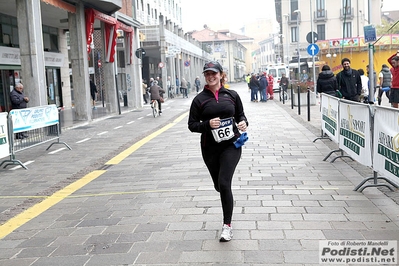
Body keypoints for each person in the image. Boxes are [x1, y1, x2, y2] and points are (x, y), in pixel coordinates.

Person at [188, 61, 248, 242]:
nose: (210, 76)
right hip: (209, 149)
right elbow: (192, 125)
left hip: (231, 145)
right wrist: (207, 125)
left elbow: (241, 115)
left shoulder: (232, 95)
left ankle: (227, 226)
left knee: (224, 183)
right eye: (207, 73)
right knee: (218, 185)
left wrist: (244, 123)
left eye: (213, 73)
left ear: (221, 74)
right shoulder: (199, 100)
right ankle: (221, 188)